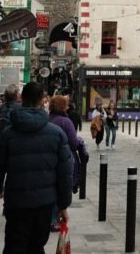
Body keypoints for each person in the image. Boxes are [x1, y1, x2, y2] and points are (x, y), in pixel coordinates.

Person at [0, 82, 73, 253]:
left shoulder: (8, 134)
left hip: (16, 202)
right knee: (36, 246)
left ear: (22, 99)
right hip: (44, 203)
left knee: (14, 246)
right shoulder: (57, 134)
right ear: (42, 101)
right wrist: (63, 205)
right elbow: (65, 173)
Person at [47, 96, 83, 232]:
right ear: (63, 107)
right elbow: (73, 143)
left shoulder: (47, 119)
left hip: (48, 159)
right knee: (60, 188)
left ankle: (50, 217)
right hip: (62, 159)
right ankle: (54, 219)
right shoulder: (66, 122)